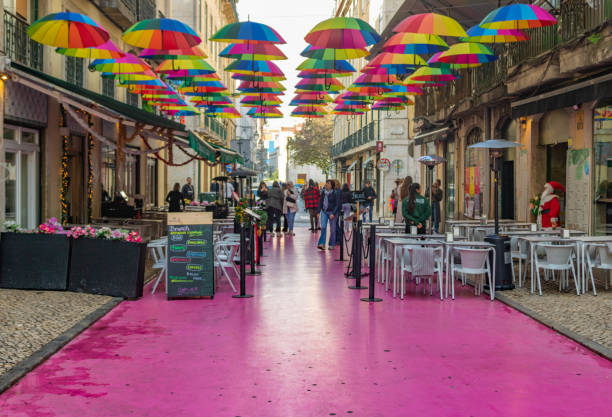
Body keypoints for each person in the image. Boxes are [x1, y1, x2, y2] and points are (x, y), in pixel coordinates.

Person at [317, 180, 340, 250]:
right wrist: (318, 212)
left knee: (332, 230)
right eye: (326, 183)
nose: (326, 184)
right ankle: (322, 244)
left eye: (328, 183)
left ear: (331, 185)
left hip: (332, 212)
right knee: (323, 227)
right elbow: (320, 202)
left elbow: (337, 204)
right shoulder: (323, 192)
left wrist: (333, 213)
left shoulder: (335, 193)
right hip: (324, 211)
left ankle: (331, 244)